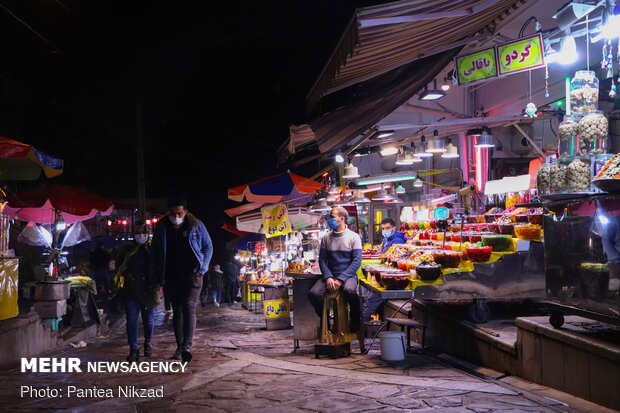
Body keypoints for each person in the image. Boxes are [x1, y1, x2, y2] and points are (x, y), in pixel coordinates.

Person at [151, 199, 213, 363]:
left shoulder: (196, 225)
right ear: (168, 213)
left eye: (179, 213)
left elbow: (208, 246)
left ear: (186, 211)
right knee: (177, 311)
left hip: (193, 275)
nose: (176, 217)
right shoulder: (161, 228)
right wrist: (157, 278)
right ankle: (179, 346)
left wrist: (203, 268)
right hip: (171, 276)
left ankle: (187, 346)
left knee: (189, 307)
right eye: (173, 214)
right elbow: (155, 253)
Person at [308, 207, 362, 332]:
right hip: (331, 275)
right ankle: (325, 319)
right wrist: (328, 277)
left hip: (348, 276)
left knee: (349, 291)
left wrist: (340, 279)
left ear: (341, 219)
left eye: (332, 217)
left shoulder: (354, 237)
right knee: (313, 294)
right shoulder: (326, 238)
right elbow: (322, 260)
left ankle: (355, 320)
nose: (329, 220)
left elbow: (356, 262)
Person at [116, 221, 159, 362]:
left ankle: (148, 343)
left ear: (147, 233)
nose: (140, 235)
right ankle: (133, 349)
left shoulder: (153, 248)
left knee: (148, 321)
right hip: (131, 290)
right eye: (137, 233)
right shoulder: (127, 250)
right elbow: (119, 268)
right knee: (132, 321)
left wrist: (158, 283)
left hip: (149, 290)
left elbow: (160, 267)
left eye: (143, 232)